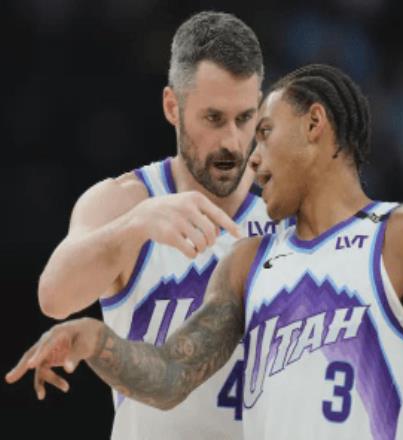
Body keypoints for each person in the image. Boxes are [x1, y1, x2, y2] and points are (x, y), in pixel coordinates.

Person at [7, 64, 403, 439]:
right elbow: (171, 375)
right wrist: (96, 340)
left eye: (263, 132)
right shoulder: (247, 262)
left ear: (315, 123)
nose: (251, 157)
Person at [7, 11, 284, 440]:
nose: (231, 141)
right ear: (173, 106)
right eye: (213, 119)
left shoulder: (287, 210)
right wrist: (134, 226)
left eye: (244, 118)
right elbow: (54, 297)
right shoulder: (127, 201)